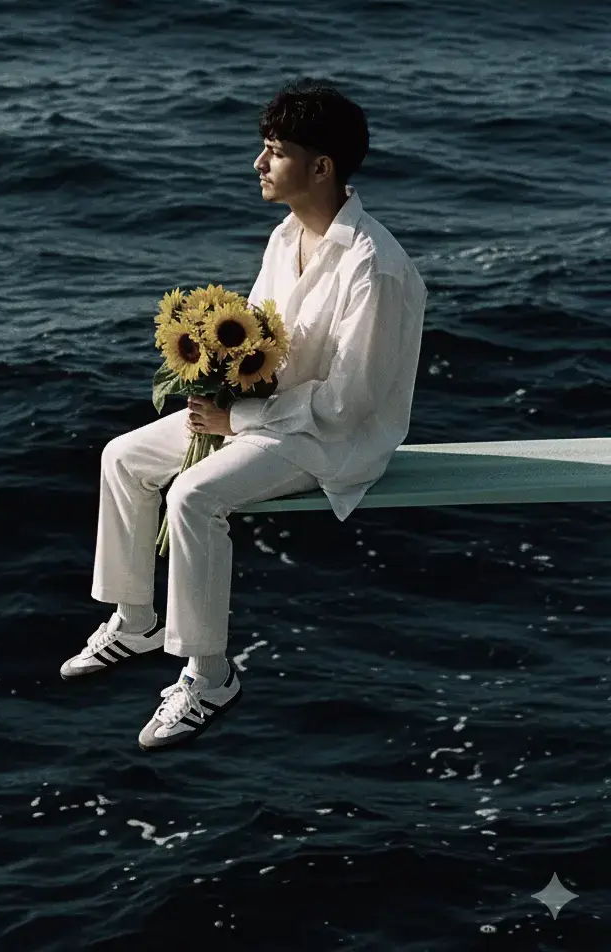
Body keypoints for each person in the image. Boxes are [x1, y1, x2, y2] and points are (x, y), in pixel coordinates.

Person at [60, 78, 427, 752]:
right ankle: (135, 620)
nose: (259, 163)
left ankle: (209, 676)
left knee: (194, 496)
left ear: (321, 167)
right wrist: (222, 387)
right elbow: (261, 338)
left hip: (330, 440)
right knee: (123, 457)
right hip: (266, 413)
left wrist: (237, 422)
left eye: (275, 151)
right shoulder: (286, 237)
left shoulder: (374, 268)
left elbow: (349, 403)